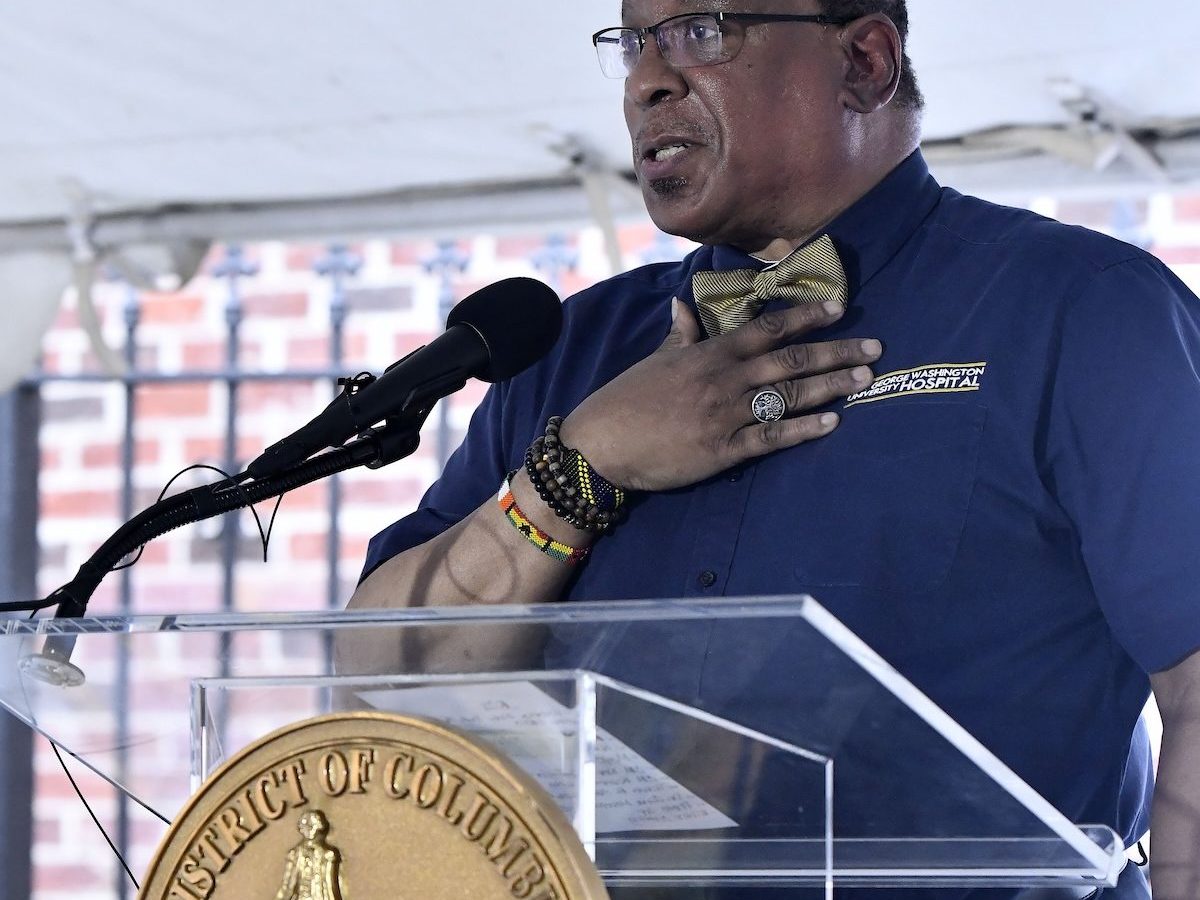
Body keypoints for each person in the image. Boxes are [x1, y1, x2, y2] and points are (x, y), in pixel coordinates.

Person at [348, 2, 1200, 897]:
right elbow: (377, 678)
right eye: (635, 42)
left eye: (702, 31)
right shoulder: (572, 350)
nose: (649, 80)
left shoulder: (1085, 309)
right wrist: (581, 469)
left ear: (866, 63)